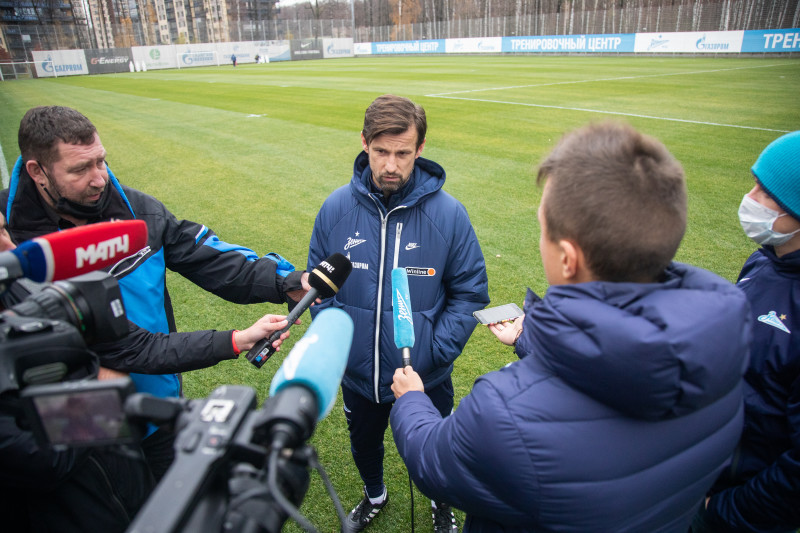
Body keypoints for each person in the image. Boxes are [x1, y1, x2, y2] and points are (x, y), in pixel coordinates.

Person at [390, 121, 752, 532]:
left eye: (544, 228)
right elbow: (622, 370)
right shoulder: (723, 351)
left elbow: (434, 462)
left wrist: (412, 402)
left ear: (567, 258)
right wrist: (528, 339)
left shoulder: (504, 413)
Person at [0, 105, 311, 480]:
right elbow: (130, 348)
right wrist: (234, 340)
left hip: (159, 407)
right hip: (80, 431)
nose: (99, 179)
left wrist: (287, 281)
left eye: (101, 161)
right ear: (38, 172)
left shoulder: (138, 212)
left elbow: (210, 258)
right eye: (80, 169)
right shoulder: (9, 244)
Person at [0, 210, 297, 532]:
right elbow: (41, 458)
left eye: (3, 230)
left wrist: (237, 340)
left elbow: (138, 348)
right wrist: (107, 398)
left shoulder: (24, 290)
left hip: (125, 480)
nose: (10, 249)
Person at [307, 94, 489, 532]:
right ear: (364, 143)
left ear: (420, 149)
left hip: (425, 377)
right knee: (364, 446)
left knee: (436, 450)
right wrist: (341, 347)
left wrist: (433, 352)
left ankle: (441, 503)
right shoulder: (335, 209)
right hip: (358, 378)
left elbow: (470, 293)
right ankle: (375, 494)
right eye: (381, 151)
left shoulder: (449, 215)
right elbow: (319, 289)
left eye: (403, 153)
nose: (391, 165)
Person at [692, 130, 800, 532]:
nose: (750, 198)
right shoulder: (764, 262)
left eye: (766, 193)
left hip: (735, 510)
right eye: (754, 183)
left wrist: (720, 512)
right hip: (705, 473)